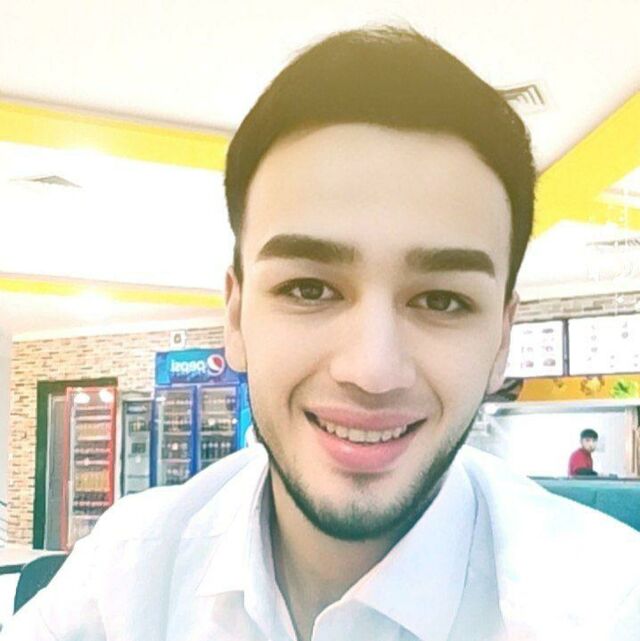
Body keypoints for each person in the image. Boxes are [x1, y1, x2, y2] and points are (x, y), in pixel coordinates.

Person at [3, 26, 640, 641]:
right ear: (236, 315)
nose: (372, 370)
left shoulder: (608, 606)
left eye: (441, 300)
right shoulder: (126, 577)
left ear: (502, 339)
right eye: (309, 289)